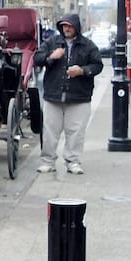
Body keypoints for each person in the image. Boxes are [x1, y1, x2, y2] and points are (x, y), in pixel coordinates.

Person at [33, 14, 104, 175]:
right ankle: (48, 161)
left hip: (79, 97)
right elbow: (37, 58)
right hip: (53, 95)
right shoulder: (52, 42)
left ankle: (73, 161)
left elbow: (98, 65)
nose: (67, 29)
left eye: (70, 26)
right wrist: (51, 57)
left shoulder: (88, 45)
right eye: (64, 26)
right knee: (50, 131)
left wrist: (82, 71)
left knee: (76, 132)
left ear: (76, 27)